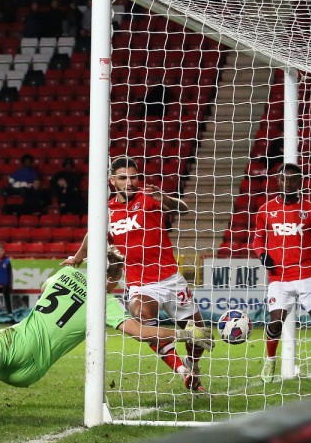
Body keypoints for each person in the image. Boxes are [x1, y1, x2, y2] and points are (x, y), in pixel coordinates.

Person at [0, 249, 214, 418]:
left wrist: (77, 259)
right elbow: (141, 333)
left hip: (18, 342)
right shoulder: (107, 302)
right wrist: (185, 333)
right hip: (32, 371)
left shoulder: (62, 276)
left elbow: (54, 281)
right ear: (115, 279)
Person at [65, 157, 209, 392]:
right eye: (123, 177)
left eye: (133, 177)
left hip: (171, 278)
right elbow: (94, 234)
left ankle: (192, 364)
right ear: (112, 181)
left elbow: (182, 208)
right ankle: (182, 372)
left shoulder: (148, 198)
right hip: (140, 283)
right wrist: (78, 257)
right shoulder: (108, 210)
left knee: (199, 335)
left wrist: (166, 200)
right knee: (142, 315)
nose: (130, 182)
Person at [253, 163, 311, 384]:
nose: (287, 183)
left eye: (292, 179)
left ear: (300, 182)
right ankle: (270, 361)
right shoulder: (265, 210)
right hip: (279, 276)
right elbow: (258, 239)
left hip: (307, 272)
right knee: (275, 321)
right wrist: (262, 255)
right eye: (283, 179)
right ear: (277, 181)